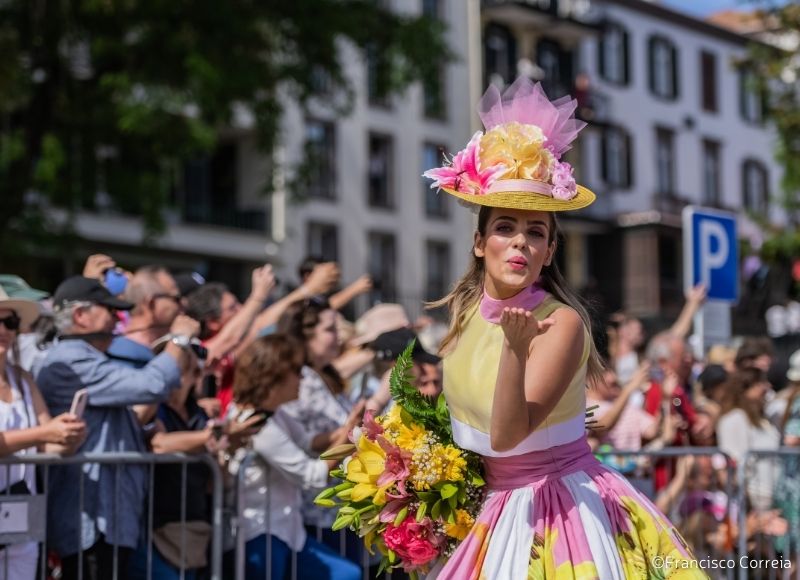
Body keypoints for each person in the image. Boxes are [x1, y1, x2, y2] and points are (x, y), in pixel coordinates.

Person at [423, 78, 704, 578]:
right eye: (505, 227)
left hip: (558, 515)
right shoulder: (463, 314)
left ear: (550, 251)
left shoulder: (562, 322)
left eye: (536, 233)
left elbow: (508, 435)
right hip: (490, 512)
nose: (520, 244)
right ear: (479, 241)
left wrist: (515, 347)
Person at [36, 276, 200, 580]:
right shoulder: (70, 360)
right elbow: (152, 384)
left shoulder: (91, 359)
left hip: (110, 517)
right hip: (89, 519)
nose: (117, 319)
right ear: (79, 316)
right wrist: (178, 341)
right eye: (109, 310)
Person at [227, 335, 361, 580]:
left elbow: (307, 441)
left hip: (288, 532)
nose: (303, 378)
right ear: (274, 374)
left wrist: (350, 426)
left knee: (348, 574)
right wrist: (350, 439)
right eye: (297, 371)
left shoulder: (274, 414)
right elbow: (311, 476)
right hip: (261, 535)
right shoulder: (255, 423)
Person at [0, 289, 86, 580]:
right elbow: (41, 432)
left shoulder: (22, 379)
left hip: (21, 511)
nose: (3, 330)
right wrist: (46, 432)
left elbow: (46, 441)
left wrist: (67, 438)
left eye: (10, 323)